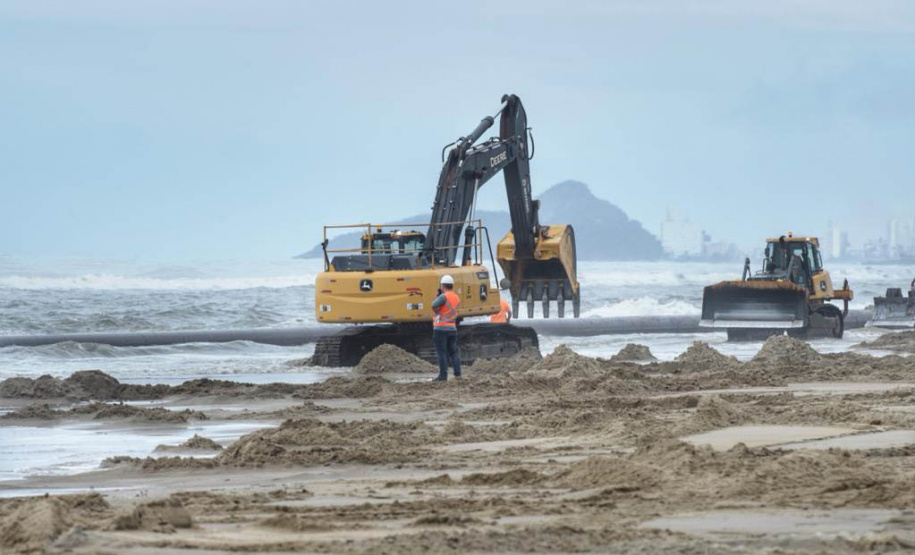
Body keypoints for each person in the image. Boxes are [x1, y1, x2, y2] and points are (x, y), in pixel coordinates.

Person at [430, 274, 461, 381]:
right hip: (452, 328)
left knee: (442, 352)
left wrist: (437, 311)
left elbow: (433, 304)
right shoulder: (456, 297)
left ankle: (443, 376)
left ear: (443, 286)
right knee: (453, 352)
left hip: (440, 329)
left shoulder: (443, 296)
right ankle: (457, 373)